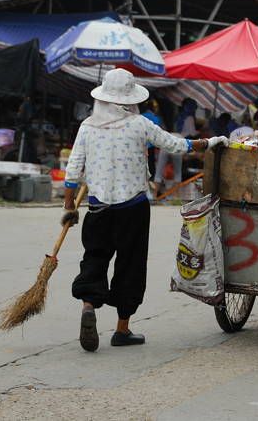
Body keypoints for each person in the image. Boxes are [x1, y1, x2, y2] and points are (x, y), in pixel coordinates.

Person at [61, 69, 227, 352]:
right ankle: (122, 330)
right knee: (131, 265)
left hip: (98, 208)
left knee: (95, 258)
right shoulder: (139, 124)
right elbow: (178, 145)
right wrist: (210, 142)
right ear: (129, 99)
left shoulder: (87, 126)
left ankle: (88, 305)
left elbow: (73, 171)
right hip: (133, 208)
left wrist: (69, 207)